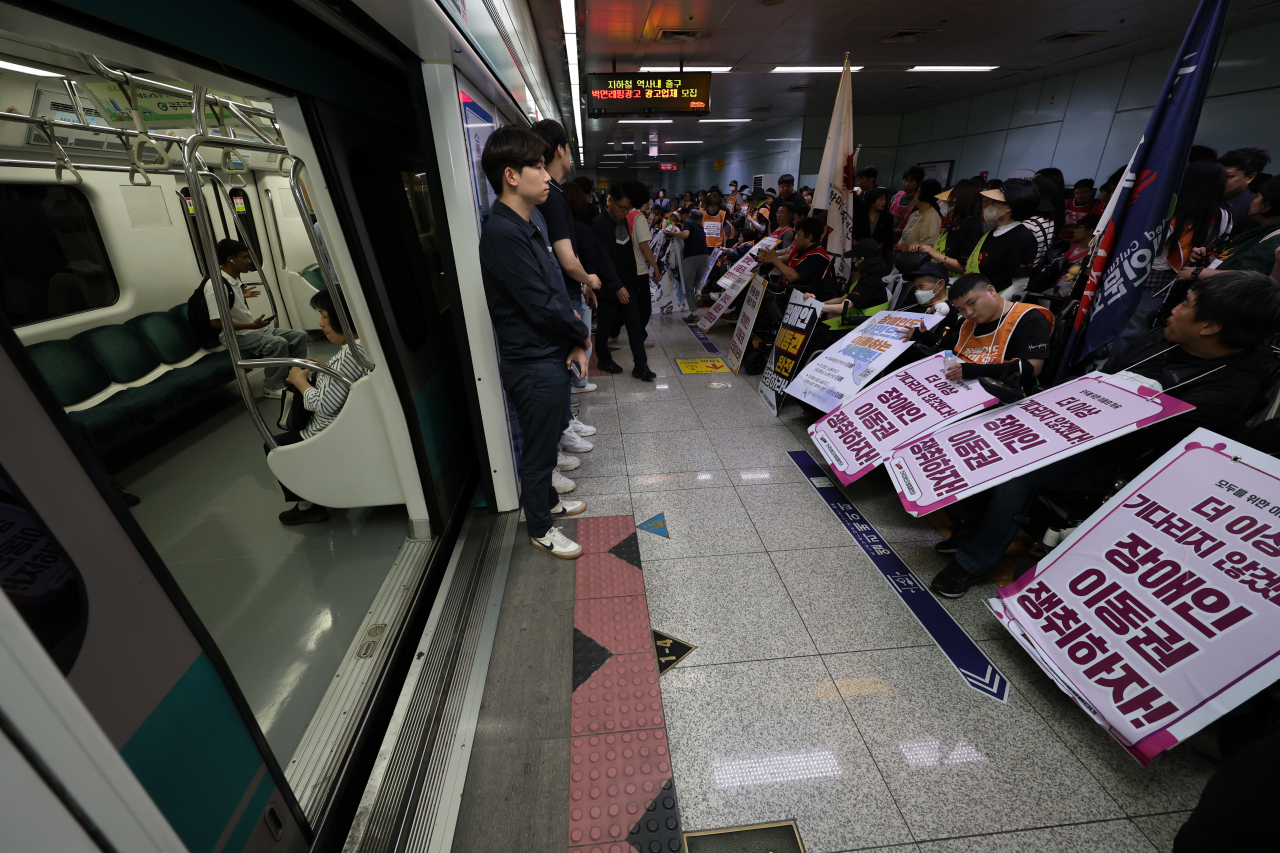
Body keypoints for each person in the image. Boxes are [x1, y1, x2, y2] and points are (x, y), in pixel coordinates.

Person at [930, 271, 1280, 598]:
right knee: (991, 428)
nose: (1173, 309)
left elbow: (1156, 441)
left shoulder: (1232, 387)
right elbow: (1103, 378)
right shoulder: (1162, 337)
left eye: (1186, 304)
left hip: (1127, 454)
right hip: (1083, 420)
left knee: (1022, 468)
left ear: (1209, 326)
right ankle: (971, 521)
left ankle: (972, 562)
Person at [478, 126, 590, 559]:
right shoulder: (502, 233)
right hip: (532, 361)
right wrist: (579, 333)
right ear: (511, 175)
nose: (547, 177)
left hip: (549, 352)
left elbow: (553, 289)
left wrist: (574, 338)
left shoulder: (527, 221)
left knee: (545, 441)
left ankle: (549, 503)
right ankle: (540, 527)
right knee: (541, 450)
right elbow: (541, 303)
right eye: (538, 167)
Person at [271, 288, 371, 525]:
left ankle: (309, 505)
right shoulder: (360, 347)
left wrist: (300, 381)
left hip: (328, 430)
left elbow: (324, 405)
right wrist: (326, 369)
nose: (320, 323)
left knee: (274, 447)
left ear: (343, 318)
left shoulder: (348, 356)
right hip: (347, 420)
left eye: (325, 316)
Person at [1115, 160, 1228, 350]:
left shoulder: (1168, 207)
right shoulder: (1221, 215)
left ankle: (1115, 368)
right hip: (1180, 277)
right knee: (1142, 325)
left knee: (1132, 327)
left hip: (1152, 271)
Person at [532, 120, 602, 397]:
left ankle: (568, 423)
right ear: (560, 150)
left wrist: (582, 282)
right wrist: (590, 279)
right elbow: (566, 258)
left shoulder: (555, 193)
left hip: (569, 288)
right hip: (563, 291)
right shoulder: (552, 197)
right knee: (570, 357)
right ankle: (566, 426)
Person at [201, 238, 309, 399]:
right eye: (244, 257)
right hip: (236, 336)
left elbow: (230, 306)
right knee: (277, 343)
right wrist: (251, 326)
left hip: (253, 331)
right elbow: (217, 323)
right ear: (231, 259)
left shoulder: (233, 279)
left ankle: (293, 377)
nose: (249, 261)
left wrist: (242, 298)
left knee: (299, 336)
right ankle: (272, 387)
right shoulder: (215, 285)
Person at [933, 272, 1052, 384]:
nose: (968, 313)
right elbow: (953, 344)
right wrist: (924, 335)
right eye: (961, 309)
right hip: (962, 382)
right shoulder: (968, 321)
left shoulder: (1029, 319)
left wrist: (974, 371)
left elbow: (1033, 368)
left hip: (1004, 389)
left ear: (991, 291)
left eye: (972, 303)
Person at [590, 182, 656, 380]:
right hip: (609, 286)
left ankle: (641, 365)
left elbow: (628, 255)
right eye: (621, 207)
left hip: (627, 284)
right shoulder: (599, 224)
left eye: (628, 208)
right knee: (606, 325)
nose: (624, 212)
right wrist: (617, 286)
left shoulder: (624, 222)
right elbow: (603, 260)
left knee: (635, 325)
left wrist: (632, 284)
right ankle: (603, 357)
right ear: (610, 201)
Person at [1178, 174, 1280, 282]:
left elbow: (1249, 278)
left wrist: (1199, 272)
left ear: (1268, 206)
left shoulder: (1274, 240)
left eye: (1257, 197)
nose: (1252, 201)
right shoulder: (1258, 228)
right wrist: (1207, 255)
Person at [807, 238, 891, 349]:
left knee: (819, 335)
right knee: (817, 327)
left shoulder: (870, 282)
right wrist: (819, 302)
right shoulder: (867, 278)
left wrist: (816, 306)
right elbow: (842, 299)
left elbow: (843, 307)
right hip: (857, 324)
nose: (853, 262)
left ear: (862, 260)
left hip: (864, 330)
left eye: (854, 258)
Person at [965, 179, 1041, 297]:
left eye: (995, 202)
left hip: (992, 306)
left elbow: (1020, 284)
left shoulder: (1022, 238)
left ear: (1008, 207)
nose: (990, 205)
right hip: (977, 299)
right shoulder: (994, 231)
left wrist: (994, 306)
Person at [909, 179, 985, 273]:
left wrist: (933, 253)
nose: (945, 204)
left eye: (950, 202)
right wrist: (924, 248)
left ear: (962, 203)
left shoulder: (972, 229)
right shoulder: (954, 225)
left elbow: (964, 266)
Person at [757, 216, 832, 298]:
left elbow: (791, 276)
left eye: (798, 235)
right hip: (785, 291)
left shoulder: (818, 257)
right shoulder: (802, 249)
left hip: (797, 299)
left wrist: (774, 259)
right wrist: (769, 258)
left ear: (809, 237)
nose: (795, 239)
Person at [1219, 148, 1271, 235]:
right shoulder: (1207, 195)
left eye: (1229, 177)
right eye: (1218, 174)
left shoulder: (1253, 208)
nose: (1220, 180)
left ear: (1250, 177)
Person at [676, 208, 711, 321]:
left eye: (682, 214)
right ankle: (699, 292)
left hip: (691, 257)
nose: (681, 216)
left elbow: (685, 235)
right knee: (698, 278)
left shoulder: (688, 224)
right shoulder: (701, 229)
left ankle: (694, 313)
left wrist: (673, 234)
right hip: (705, 257)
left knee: (689, 286)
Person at [896, 178, 942, 251]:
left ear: (925, 194)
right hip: (903, 258)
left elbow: (928, 245)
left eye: (917, 192)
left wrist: (907, 249)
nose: (914, 195)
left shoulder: (932, 217)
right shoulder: (914, 214)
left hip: (915, 260)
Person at [853, 187, 894, 260]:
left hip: (878, 256)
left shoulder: (888, 217)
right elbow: (853, 234)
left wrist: (880, 246)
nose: (884, 202)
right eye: (881, 199)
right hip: (859, 254)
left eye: (885, 199)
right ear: (872, 200)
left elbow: (889, 236)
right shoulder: (859, 216)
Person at [890, 166, 924, 242]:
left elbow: (916, 228)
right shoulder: (896, 197)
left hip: (904, 243)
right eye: (905, 180)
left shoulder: (918, 202)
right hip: (888, 240)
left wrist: (896, 232)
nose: (906, 184)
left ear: (918, 183)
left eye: (911, 181)